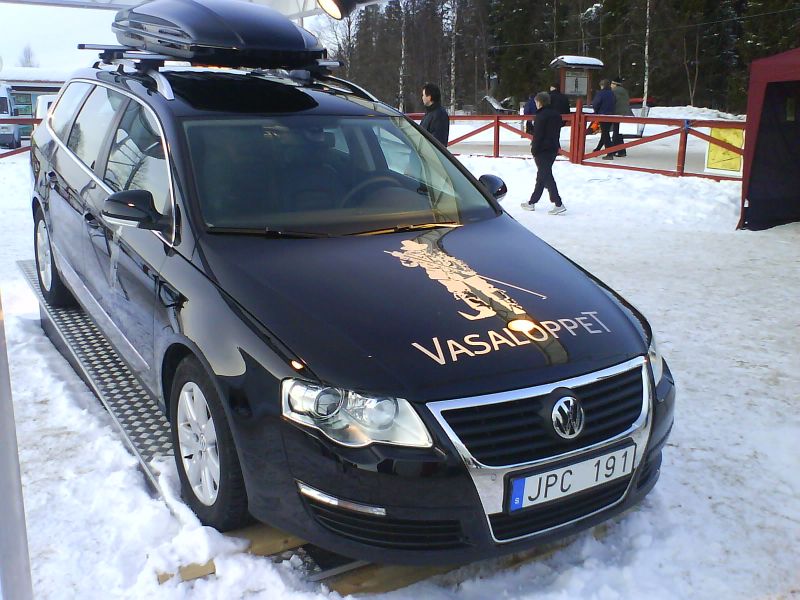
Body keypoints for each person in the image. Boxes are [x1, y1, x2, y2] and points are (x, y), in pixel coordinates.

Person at [520, 92, 565, 215]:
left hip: (542, 150)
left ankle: (558, 203)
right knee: (542, 176)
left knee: (546, 176)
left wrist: (534, 149)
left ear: (539, 102)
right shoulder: (556, 114)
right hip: (553, 148)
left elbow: (538, 135)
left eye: (536, 102)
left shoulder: (541, 116)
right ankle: (532, 202)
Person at [591, 79, 616, 159]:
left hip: (602, 114)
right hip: (611, 115)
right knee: (605, 133)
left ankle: (609, 153)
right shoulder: (612, 93)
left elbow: (596, 104)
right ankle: (598, 149)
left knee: (605, 134)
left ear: (602, 85)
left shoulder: (600, 93)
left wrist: (596, 112)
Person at [610, 78, 633, 157]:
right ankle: (620, 150)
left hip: (617, 114)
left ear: (615, 84)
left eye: (612, 84)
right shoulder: (624, 91)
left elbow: (613, 102)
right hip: (625, 114)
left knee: (616, 134)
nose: (611, 85)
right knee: (618, 133)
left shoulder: (614, 91)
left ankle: (616, 150)